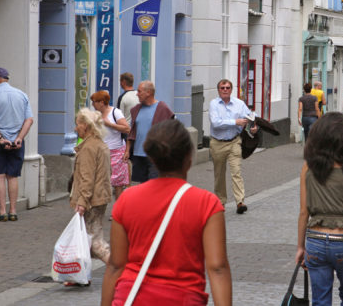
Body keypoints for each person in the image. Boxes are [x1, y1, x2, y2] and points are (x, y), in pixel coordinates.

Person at [101, 119, 231, 305]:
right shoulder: (207, 204)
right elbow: (217, 268)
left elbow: (115, 265)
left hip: (131, 296)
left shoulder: (126, 200)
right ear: (189, 157)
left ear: (152, 158)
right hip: (182, 298)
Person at [295, 112, 343, 306]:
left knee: (320, 300)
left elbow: (304, 212)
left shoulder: (308, 166)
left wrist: (300, 246)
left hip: (316, 239)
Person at [0, 68, 33, 222]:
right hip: (17, 140)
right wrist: (19, 138)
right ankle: (13, 211)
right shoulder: (22, 95)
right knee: (12, 176)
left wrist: (1, 139)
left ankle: (2, 211)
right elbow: (29, 120)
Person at [69, 107, 112, 271]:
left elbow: (87, 179)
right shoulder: (100, 144)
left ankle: (120, 269)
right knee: (85, 239)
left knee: (94, 242)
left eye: (77, 124)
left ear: (85, 126)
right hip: (100, 197)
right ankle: (79, 274)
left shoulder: (88, 148)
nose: (75, 128)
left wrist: (81, 202)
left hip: (91, 200)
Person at [209, 79, 257, 214]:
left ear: (231, 89)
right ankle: (220, 201)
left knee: (236, 171)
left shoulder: (239, 104)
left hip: (234, 142)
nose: (225, 90)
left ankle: (240, 201)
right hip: (217, 143)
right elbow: (215, 123)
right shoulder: (214, 104)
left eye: (228, 87)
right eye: (222, 88)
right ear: (218, 90)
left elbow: (251, 116)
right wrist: (235, 122)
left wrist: (253, 126)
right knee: (219, 174)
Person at [127, 81, 174, 185]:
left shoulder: (162, 108)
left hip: (154, 155)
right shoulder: (136, 109)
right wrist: (127, 150)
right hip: (139, 154)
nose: (137, 94)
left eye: (139, 91)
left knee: (154, 185)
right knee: (143, 186)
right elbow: (132, 131)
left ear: (148, 92)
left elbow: (171, 132)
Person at [91, 90, 130, 201]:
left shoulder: (115, 112)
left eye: (94, 102)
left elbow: (127, 129)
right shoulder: (95, 115)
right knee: (98, 181)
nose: (93, 105)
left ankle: (117, 210)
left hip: (116, 151)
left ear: (102, 102)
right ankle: (99, 207)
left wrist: (110, 124)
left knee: (118, 183)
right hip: (100, 152)